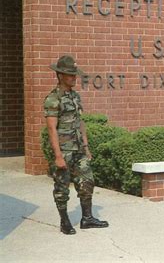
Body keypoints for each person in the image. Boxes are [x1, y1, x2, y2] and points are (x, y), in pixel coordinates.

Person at [44, 55, 109, 235]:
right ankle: (65, 222)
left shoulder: (75, 96)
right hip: (64, 151)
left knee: (87, 181)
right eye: (70, 75)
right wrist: (58, 156)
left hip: (79, 150)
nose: (74, 78)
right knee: (62, 188)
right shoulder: (53, 99)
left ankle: (87, 218)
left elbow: (80, 122)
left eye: (75, 75)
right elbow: (51, 128)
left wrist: (86, 147)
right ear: (60, 75)